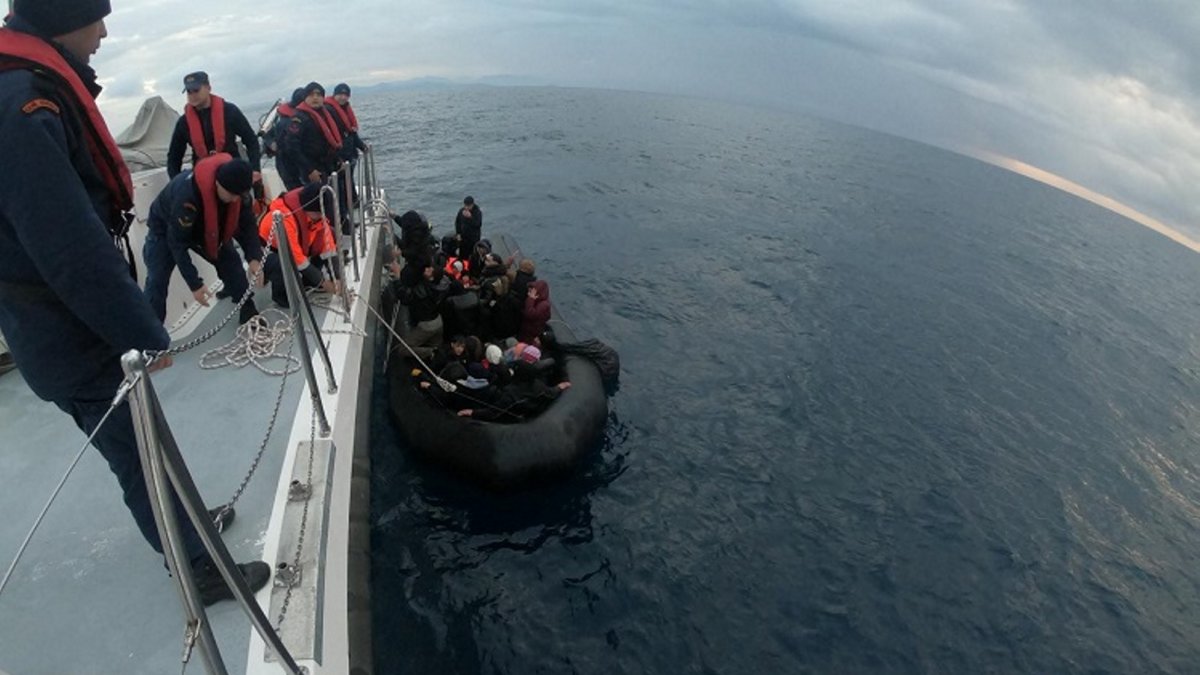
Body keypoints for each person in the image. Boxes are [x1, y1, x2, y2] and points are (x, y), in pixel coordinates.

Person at [0, 0, 268, 605]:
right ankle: (199, 570)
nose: (104, 31)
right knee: (139, 458)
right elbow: (68, 249)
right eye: (95, 16)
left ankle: (194, 526)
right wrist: (141, 332)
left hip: (75, 325)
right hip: (67, 334)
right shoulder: (23, 106)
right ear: (62, 16)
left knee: (151, 439)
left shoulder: (27, 90)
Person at [142, 154, 263, 324]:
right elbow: (177, 242)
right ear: (218, 184)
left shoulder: (238, 194)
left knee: (231, 261)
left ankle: (247, 308)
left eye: (239, 195)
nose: (235, 199)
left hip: (207, 225)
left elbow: (248, 226)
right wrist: (195, 284)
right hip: (166, 229)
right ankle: (152, 344)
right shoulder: (187, 197)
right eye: (232, 194)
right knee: (157, 280)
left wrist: (254, 257)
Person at [166, 71, 262, 194]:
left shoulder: (230, 111)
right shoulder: (183, 122)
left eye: (196, 90)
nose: (192, 95)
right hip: (203, 179)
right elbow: (174, 157)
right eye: (189, 92)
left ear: (208, 88)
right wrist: (176, 184)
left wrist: (255, 169)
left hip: (233, 175)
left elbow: (251, 140)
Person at [258, 181, 340, 307]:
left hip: (299, 243)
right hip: (269, 251)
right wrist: (325, 283)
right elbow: (298, 260)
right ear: (308, 209)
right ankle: (281, 295)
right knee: (282, 263)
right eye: (318, 213)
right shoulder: (285, 218)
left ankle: (310, 283)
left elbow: (328, 244)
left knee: (332, 234)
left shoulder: (316, 215)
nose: (321, 216)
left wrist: (337, 278)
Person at [281, 81, 342, 190]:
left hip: (328, 165)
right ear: (305, 98)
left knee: (335, 196)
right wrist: (309, 170)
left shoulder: (325, 115)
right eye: (311, 95)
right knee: (320, 201)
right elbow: (291, 146)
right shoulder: (298, 119)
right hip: (312, 168)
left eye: (319, 95)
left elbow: (329, 140)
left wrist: (338, 159)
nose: (315, 98)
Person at [519, 279, 552, 344]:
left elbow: (530, 314)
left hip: (532, 332)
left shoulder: (544, 305)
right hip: (527, 330)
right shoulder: (537, 301)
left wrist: (530, 299)